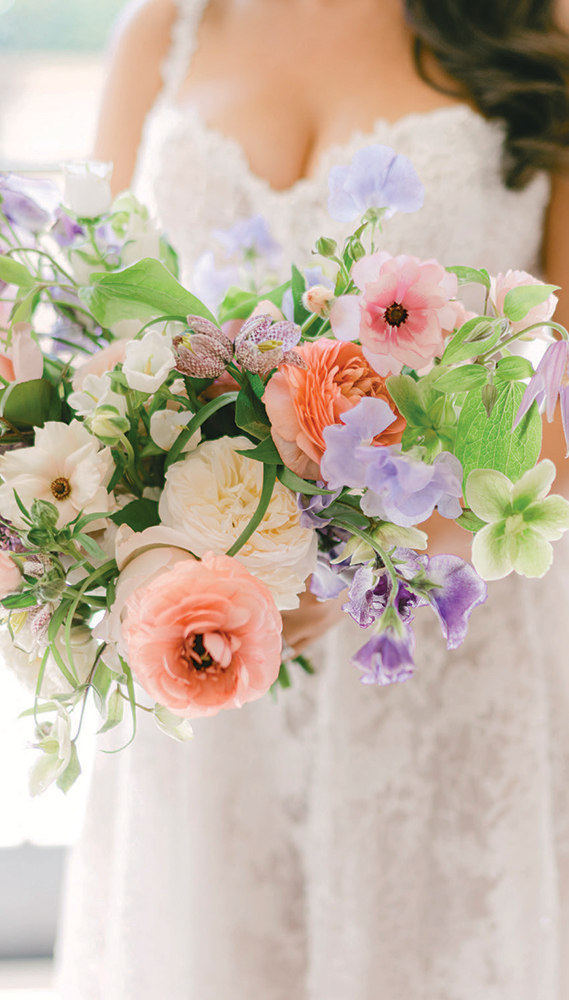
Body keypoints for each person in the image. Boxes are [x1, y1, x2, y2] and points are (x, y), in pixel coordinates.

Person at [54, 1, 569, 997]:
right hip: (211, 654)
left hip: (447, 638)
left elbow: (566, 403)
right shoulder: (162, 33)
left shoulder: (531, 31)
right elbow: (90, 349)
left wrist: (354, 548)